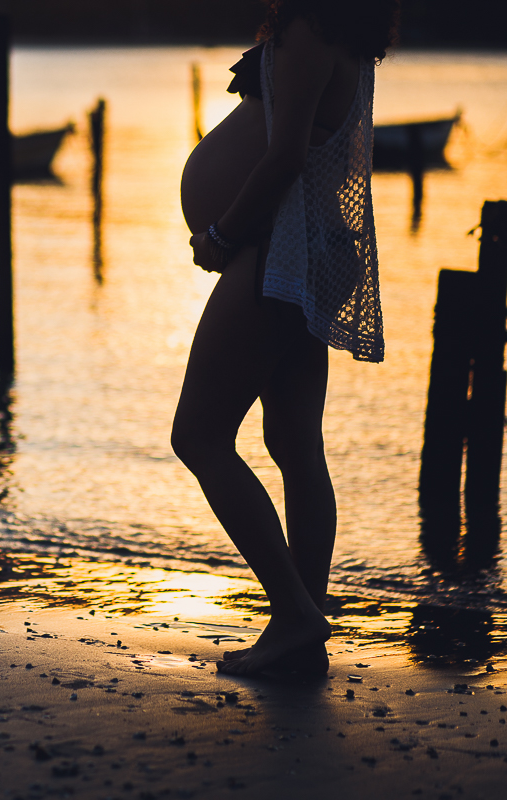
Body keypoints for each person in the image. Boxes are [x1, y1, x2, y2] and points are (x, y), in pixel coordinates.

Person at [172, 0, 399, 676]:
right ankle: (302, 626)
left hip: (280, 246)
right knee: (294, 442)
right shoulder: (343, 33)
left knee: (200, 437)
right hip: (309, 243)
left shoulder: (311, 29)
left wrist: (223, 234)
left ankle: (296, 614)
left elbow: (285, 157)